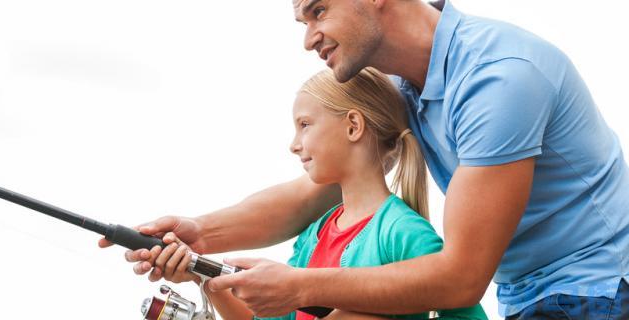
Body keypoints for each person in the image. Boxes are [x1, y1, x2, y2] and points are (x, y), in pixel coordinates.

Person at [102, 0, 629, 318]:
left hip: (599, 293)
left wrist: (299, 285)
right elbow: (320, 191)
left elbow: (463, 277)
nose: (309, 38)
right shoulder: (409, 84)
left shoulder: (498, 79)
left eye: (318, 10)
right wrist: (200, 236)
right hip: (536, 298)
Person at [153, 67, 487, 319]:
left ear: (353, 126)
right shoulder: (314, 235)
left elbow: (463, 310)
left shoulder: (404, 233)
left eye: (305, 124)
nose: (294, 144)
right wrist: (208, 278)